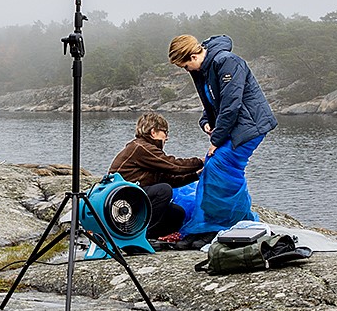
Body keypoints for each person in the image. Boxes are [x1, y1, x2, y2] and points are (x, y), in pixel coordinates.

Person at [168, 34, 277, 245]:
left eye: (185, 66)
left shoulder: (227, 61)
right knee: (213, 167)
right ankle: (216, 224)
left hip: (250, 125)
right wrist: (206, 122)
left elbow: (231, 105)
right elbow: (212, 102)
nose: (186, 70)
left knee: (221, 167)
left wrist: (216, 140)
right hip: (235, 126)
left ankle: (223, 225)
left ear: (192, 55)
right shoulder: (204, 69)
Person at [108, 113, 205, 240]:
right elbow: (173, 165)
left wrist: (196, 175)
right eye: (165, 132)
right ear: (153, 132)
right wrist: (200, 161)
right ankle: (139, 235)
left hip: (134, 196)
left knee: (177, 213)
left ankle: (153, 236)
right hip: (122, 200)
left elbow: (170, 179)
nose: (167, 137)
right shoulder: (141, 147)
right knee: (163, 190)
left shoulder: (147, 150)